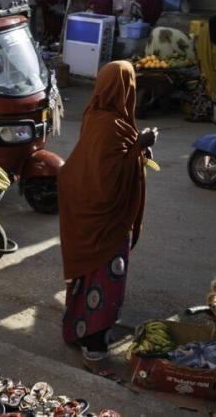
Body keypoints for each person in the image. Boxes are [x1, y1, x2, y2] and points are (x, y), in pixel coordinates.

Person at [58, 61, 158, 373]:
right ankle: (94, 348)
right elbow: (109, 177)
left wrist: (137, 151)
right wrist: (140, 145)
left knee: (88, 280)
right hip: (105, 221)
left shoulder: (98, 114)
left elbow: (111, 162)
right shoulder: (109, 125)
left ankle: (79, 330)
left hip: (92, 216)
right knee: (105, 282)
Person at [192, 5, 216, 121]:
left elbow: (201, 47)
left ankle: (202, 112)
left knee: (205, 86)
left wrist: (205, 64)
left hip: (208, 66)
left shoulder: (208, 26)